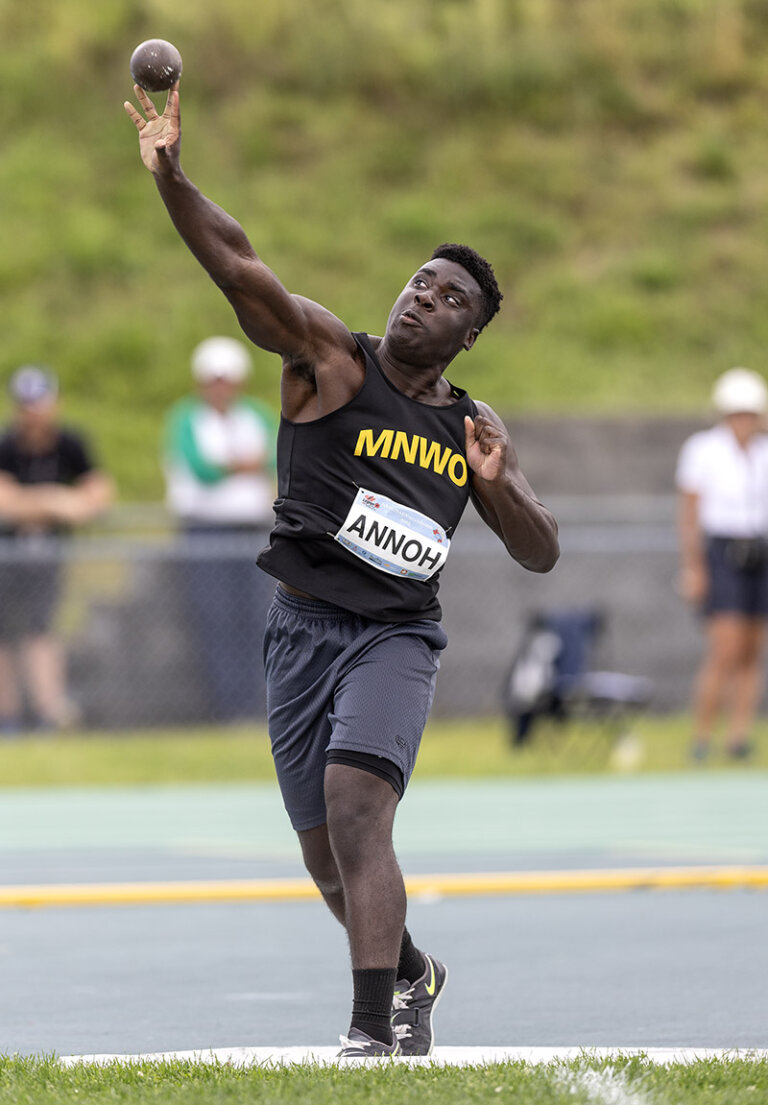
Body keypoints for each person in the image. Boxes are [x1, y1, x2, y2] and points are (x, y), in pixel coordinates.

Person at [125, 83, 559, 1058]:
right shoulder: (333, 361)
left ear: (469, 334)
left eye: (449, 299)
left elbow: (541, 550)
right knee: (325, 856)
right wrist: (172, 177)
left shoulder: (472, 427)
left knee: (361, 808)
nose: (423, 299)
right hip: (301, 628)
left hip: (396, 636)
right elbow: (243, 271)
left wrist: (501, 489)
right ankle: (413, 973)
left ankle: (370, 1032)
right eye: (419, 281)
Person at [163, 336, 278, 721]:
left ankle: (260, 703)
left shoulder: (256, 415)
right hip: (206, 530)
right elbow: (201, 469)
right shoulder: (186, 417)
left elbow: (276, 459)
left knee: (258, 614)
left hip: (253, 528)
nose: (221, 388)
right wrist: (247, 465)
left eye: (227, 380)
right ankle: (229, 707)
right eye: (214, 380)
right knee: (217, 617)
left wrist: (233, 464)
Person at [0, 366, 113, 733]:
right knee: (3, 635)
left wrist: (29, 504)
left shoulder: (70, 443)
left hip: (48, 559)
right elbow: (4, 502)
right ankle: (8, 716)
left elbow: (98, 496)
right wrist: (57, 501)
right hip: (7, 555)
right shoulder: (6, 446)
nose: (34, 413)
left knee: (42, 630)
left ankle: (48, 711)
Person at [676, 366, 768, 763]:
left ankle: (739, 734)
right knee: (724, 648)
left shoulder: (764, 452)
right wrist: (695, 567)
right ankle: (702, 734)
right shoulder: (704, 449)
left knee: (752, 649)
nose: (744, 421)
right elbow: (690, 512)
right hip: (724, 551)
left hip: (761, 550)